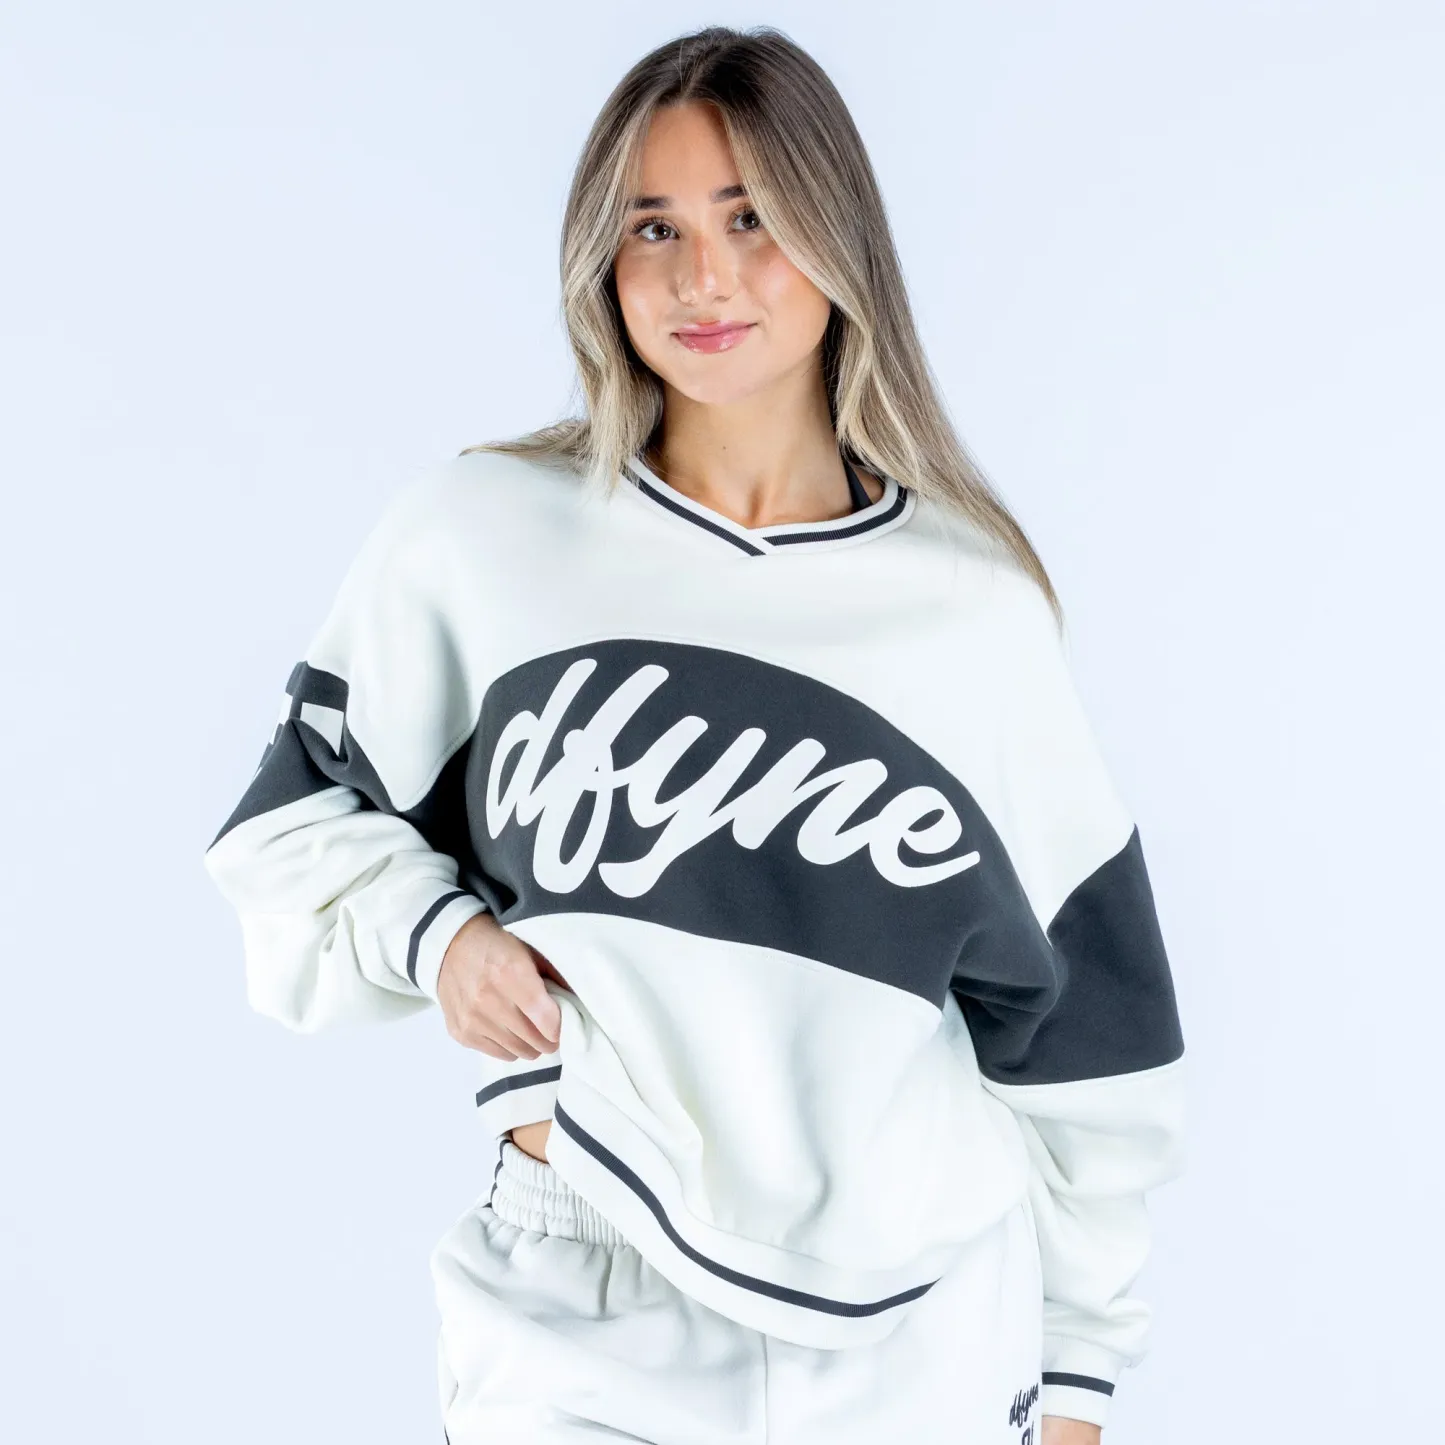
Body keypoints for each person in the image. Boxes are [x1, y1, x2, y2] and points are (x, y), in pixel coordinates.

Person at [202, 24, 1186, 1445]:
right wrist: (439, 937)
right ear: (599, 260)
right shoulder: (484, 537)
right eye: (653, 226)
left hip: (918, 1326)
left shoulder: (971, 609)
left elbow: (1087, 1038)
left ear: (841, 242)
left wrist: (1079, 1374)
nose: (702, 277)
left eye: (753, 219)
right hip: (579, 1280)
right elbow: (287, 827)